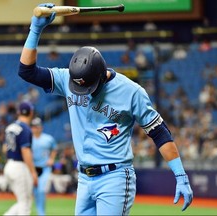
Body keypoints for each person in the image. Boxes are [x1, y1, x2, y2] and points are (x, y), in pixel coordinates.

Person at [18, 3, 193, 215]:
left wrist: (180, 175)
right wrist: (35, 30)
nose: (84, 91)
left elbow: (160, 133)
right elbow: (27, 71)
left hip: (115, 177)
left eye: (89, 87)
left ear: (102, 75)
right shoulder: (67, 79)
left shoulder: (131, 92)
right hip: (84, 178)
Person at [3, 101, 38, 216]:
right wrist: (33, 172)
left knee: (22, 202)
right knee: (25, 204)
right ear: (31, 112)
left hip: (9, 165)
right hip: (19, 167)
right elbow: (25, 151)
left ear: (19, 112)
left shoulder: (10, 127)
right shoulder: (25, 129)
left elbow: (4, 149)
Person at [30, 117, 58, 216]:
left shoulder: (48, 138)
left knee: (41, 191)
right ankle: (34, 212)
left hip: (44, 168)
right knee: (34, 192)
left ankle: (41, 213)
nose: (36, 128)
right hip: (32, 168)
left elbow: (55, 148)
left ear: (41, 127)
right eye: (34, 126)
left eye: (37, 126)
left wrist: (51, 159)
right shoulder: (29, 138)